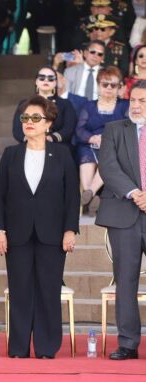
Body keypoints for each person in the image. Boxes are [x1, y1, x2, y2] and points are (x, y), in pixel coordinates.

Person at [0, 95, 80, 359]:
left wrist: (70, 230)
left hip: (52, 233)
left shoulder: (62, 154)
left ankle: (46, 346)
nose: (29, 122)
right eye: (25, 118)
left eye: (35, 118)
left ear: (49, 123)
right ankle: (18, 347)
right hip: (16, 233)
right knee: (20, 289)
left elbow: (72, 196)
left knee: (48, 290)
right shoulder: (11, 154)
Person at [96, 79, 146, 361]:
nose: (136, 106)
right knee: (125, 282)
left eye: (142, 101)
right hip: (124, 213)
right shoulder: (114, 129)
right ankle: (128, 343)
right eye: (133, 100)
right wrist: (136, 193)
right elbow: (108, 167)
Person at [76, 66, 129, 217]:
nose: (109, 88)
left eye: (113, 85)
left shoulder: (125, 106)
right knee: (85, 156)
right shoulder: (89, 106)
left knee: (108, 158)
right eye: (105, 84)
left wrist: (107, 139)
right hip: (90, 144)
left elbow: (127, 127)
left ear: (119, 87)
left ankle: (90, 193)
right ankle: (91, 195)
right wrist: (92, 138)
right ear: (99, 86)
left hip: (114, 146)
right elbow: (80, 129)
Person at [12, 66, 77, 149]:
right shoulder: (25, 103)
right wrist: (31, 140)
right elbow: (17, 130)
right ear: (36, 81)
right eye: (42, 77)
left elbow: (68, 129)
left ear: (55, 82)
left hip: (58, 147)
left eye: (51, 78)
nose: (46, 80)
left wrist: (51, 138)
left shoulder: (65, 104)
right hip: (30, 145)